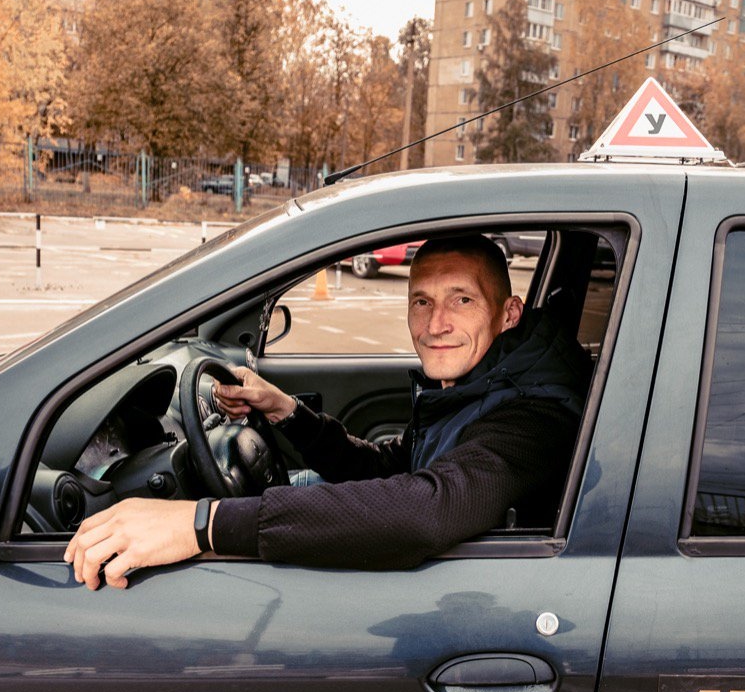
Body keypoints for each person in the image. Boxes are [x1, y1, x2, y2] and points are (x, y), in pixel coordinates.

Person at [65, 235, 591, 589]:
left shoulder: (535, 415)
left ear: (510, 313)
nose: (436, 325)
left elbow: (425, 510)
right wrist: (285, 411)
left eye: (462, 301)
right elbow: (392, 469)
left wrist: (202, 523)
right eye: (422, 302)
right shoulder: (478, 385)